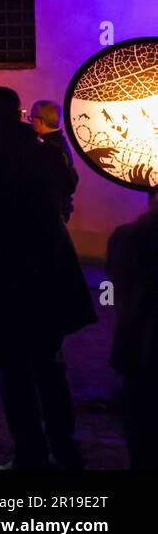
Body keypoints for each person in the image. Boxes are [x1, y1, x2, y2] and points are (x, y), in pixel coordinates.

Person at [0, 86, 96, 470]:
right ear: (18, 113)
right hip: (46, 274)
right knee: (50, 365)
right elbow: (67, 187)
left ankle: (30, 453)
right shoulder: (44, 152)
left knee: (12, 369)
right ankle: (65, 448)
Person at [106, 191, 158, 469]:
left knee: (142, 438)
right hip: (142, 353)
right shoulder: (131, 239)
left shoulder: (127, 238)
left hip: (139, 356)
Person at [30, 99, 79, 222]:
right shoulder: (59, 141)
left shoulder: (47, 147)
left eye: (31, 118)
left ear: (39, 120)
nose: (30, 122)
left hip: (50, 212)